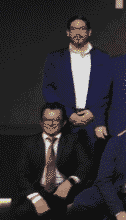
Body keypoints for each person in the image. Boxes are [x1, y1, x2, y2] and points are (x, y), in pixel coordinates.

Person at [13, 103, 91, 220]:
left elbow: (85, 166)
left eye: (56, 120)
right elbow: (21, 175)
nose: (51, 123)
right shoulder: (29, 143)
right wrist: (36, 199)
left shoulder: (73, 140)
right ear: (41, 122)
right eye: (47, 120)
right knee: (22, 210)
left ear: (64, 123)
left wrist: (70, 182)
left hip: (65, 191)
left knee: (78, 203)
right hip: (40, 190)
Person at [42, 15, 111, 155]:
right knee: (64, 162)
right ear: (68, 33)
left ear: (89, 32)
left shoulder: (103, 58)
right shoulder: (55, 58)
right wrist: (69, 114)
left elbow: (108, 90)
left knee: (93, 163)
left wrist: (93, 114)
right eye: (74, 29)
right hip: (65, 121)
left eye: (82, 29)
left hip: (93, 122)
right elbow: (48, 90)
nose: (78, 33)